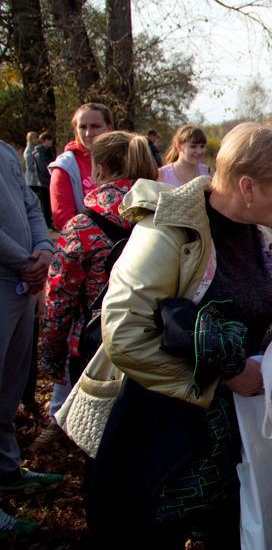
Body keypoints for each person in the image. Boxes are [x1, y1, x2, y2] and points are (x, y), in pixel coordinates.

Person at [87, 122, 272, 547]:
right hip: (163, 438)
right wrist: (224, 376)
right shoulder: (167, 232)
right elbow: (124, 334)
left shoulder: (266, 243)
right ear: (248, 187)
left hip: (238, 439)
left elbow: (268, 310)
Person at [39, 131, 158, 397]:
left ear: (100, 171)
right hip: (163, 344)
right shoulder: (172, 216)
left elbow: (59, 299)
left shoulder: (82, 228)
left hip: (99, 346)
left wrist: (51, 355)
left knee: (95, 432)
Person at [0, 139, 62, 540]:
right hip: (11, 276)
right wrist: (26, 262)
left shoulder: (5, 150)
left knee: (9, 385)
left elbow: (29, 206)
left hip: (22, 285)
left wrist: (42, 250)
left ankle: (6, 469)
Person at [49, 103, 113, 230]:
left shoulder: (124, 158)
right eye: (83, 127)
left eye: (95, 126)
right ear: (75, 130)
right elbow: (63, 219)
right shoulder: (65, 166)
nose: (89, 133)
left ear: (109, 128)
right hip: (85, 243)